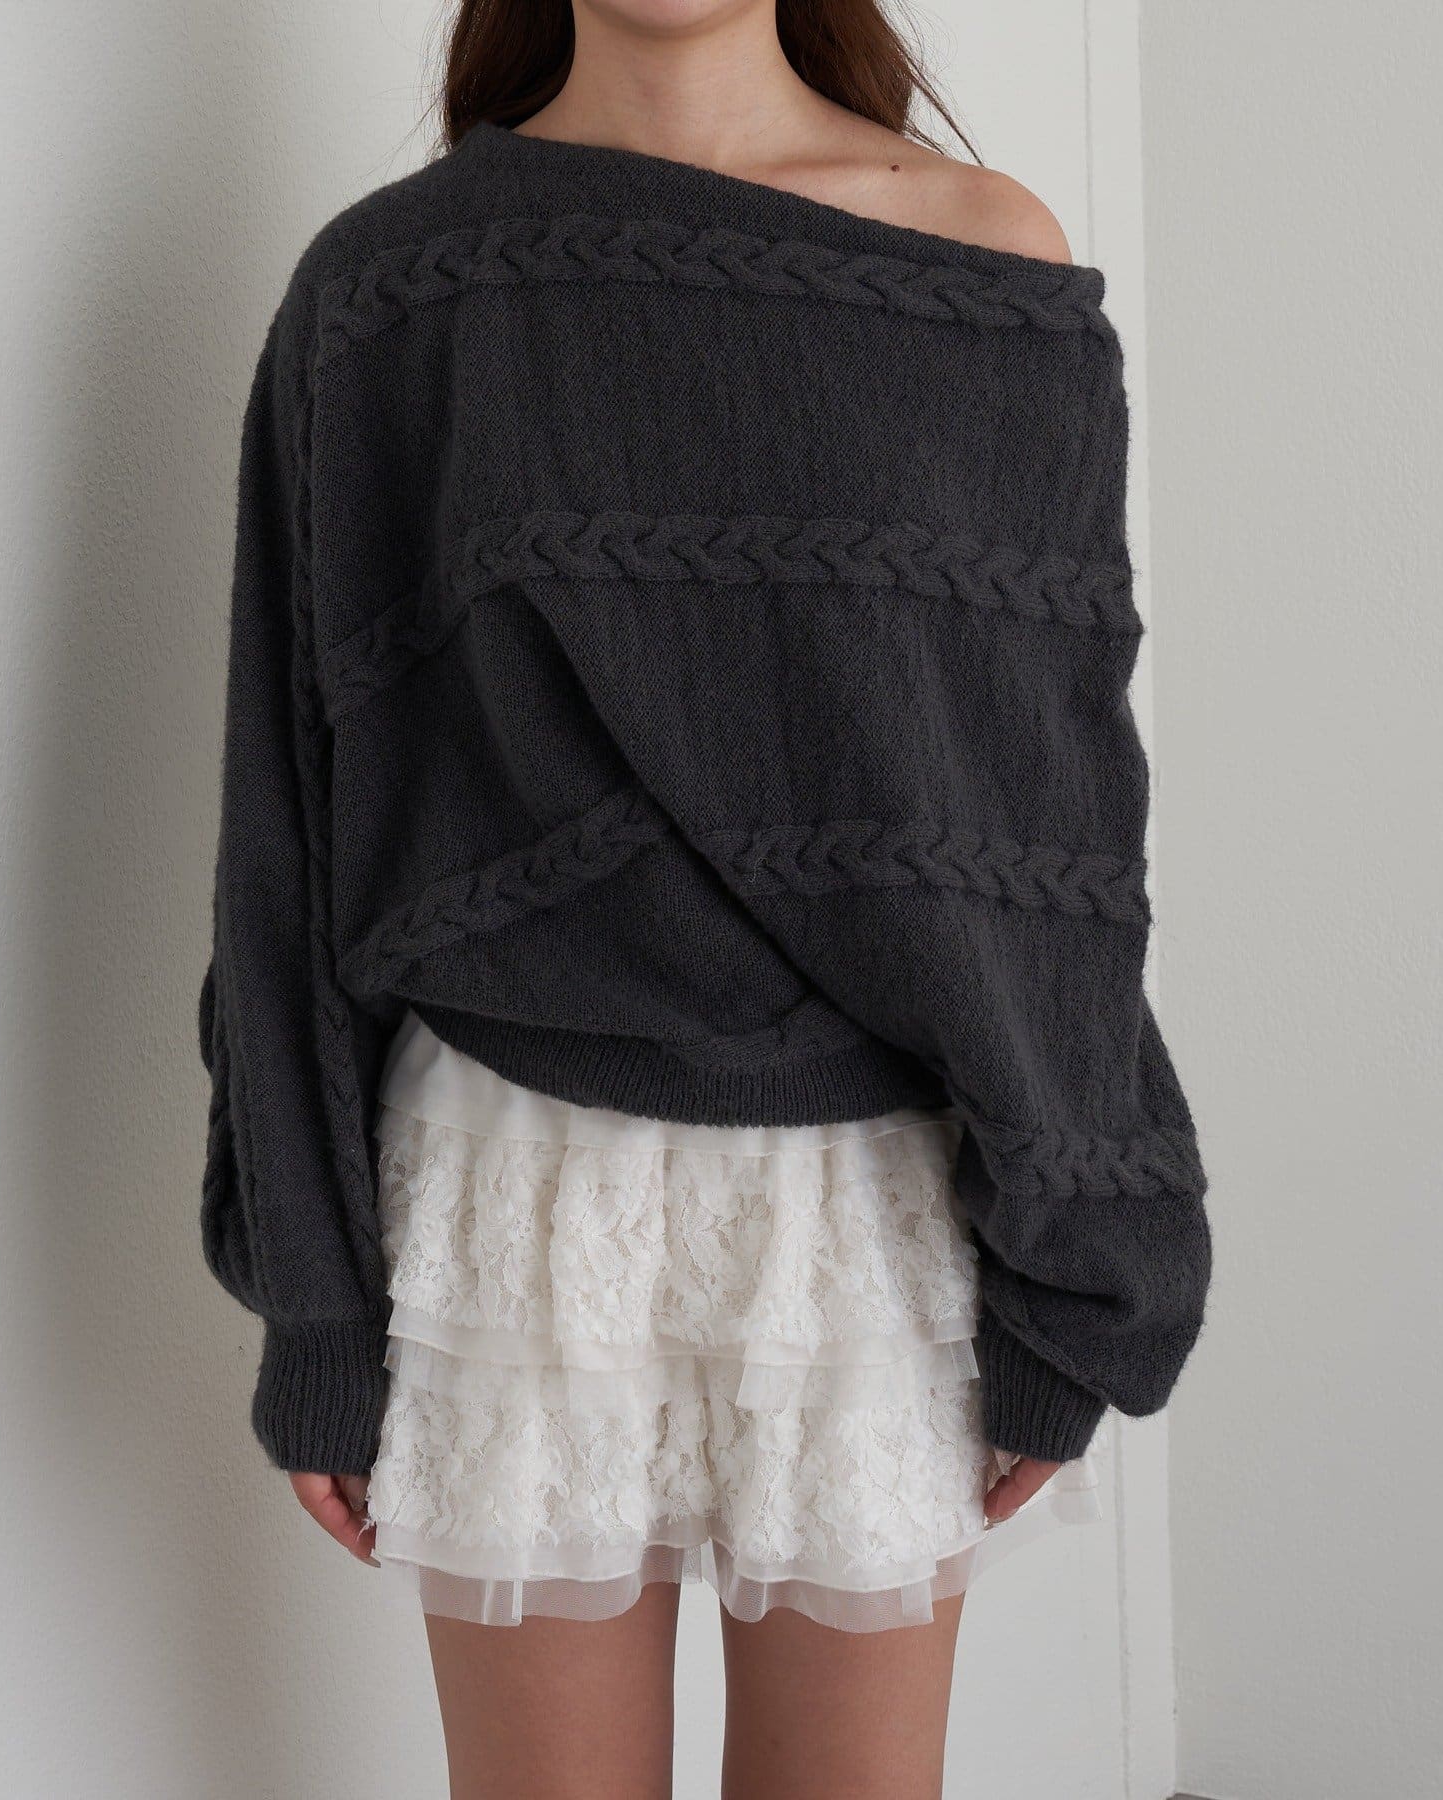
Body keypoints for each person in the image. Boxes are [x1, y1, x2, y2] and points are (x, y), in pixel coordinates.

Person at [194, 3, 1211, 1793]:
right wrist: (318, 1305)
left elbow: (1050, 820)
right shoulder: (391, 290)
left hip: (871, 1202)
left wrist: (1089, 1257)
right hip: (511, 1192)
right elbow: (289, 821)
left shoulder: (982, 256)